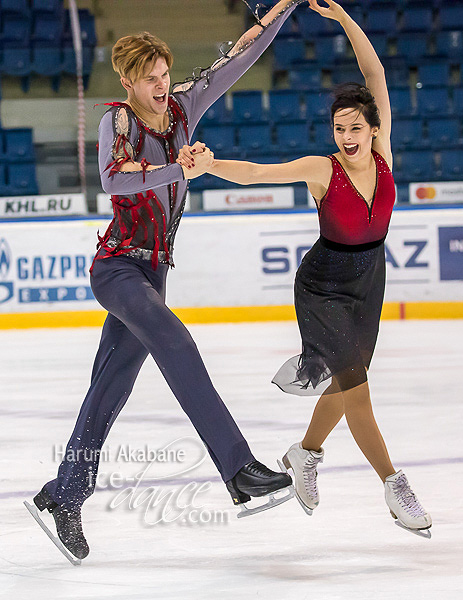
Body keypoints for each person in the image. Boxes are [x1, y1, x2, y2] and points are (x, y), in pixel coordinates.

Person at [25, 0, 309, 564]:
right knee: (177, 343)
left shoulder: (183, 109)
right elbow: (115, 182)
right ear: (128, 79)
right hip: (118, 269)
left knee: (108, 392)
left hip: (153, 273)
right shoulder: (117, 121)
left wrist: (284, 7)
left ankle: (63, 495)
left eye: (164, 74)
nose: (161, 85)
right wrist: (185, 167)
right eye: (150, 78)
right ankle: (239, 469)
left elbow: (241, 56)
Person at [188, 0, 432, 538]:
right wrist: (209, 166)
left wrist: (343, 18)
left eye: (355, 127)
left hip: (369, 283)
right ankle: (394, 487)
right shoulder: (322, 170)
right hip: (322, 286)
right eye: (338, 127)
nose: (346, 136)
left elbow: (376, 73)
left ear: (372, 129)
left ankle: (305, 452)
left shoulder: (385, 155)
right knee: (358, 389)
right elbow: (256, 172)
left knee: (347, 386)